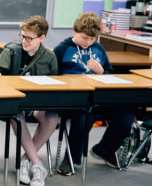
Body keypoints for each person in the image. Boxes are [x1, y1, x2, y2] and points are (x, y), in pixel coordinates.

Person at [53, 12, 135, 175]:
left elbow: (110, 75)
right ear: (75, 31)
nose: (88, 42)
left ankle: (104, 150)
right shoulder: (62, 49)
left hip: (98, 98)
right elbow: (52, 76)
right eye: (84, 38)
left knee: (126, 115)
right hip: (73, 100)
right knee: (83, 117)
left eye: (92, 39)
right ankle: (70, 158)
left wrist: (102, 72)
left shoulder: (98, 48)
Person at [0, 15, 59, 186]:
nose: (24, 41)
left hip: (37, 103)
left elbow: (55, 84)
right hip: (14, 104)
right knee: (17, 115)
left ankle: (26, 161)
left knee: (52, 117)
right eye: (22, 36)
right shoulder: (12, 51)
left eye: (29, 38)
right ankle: (37, 164)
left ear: (42, 37)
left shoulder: (49, 56)